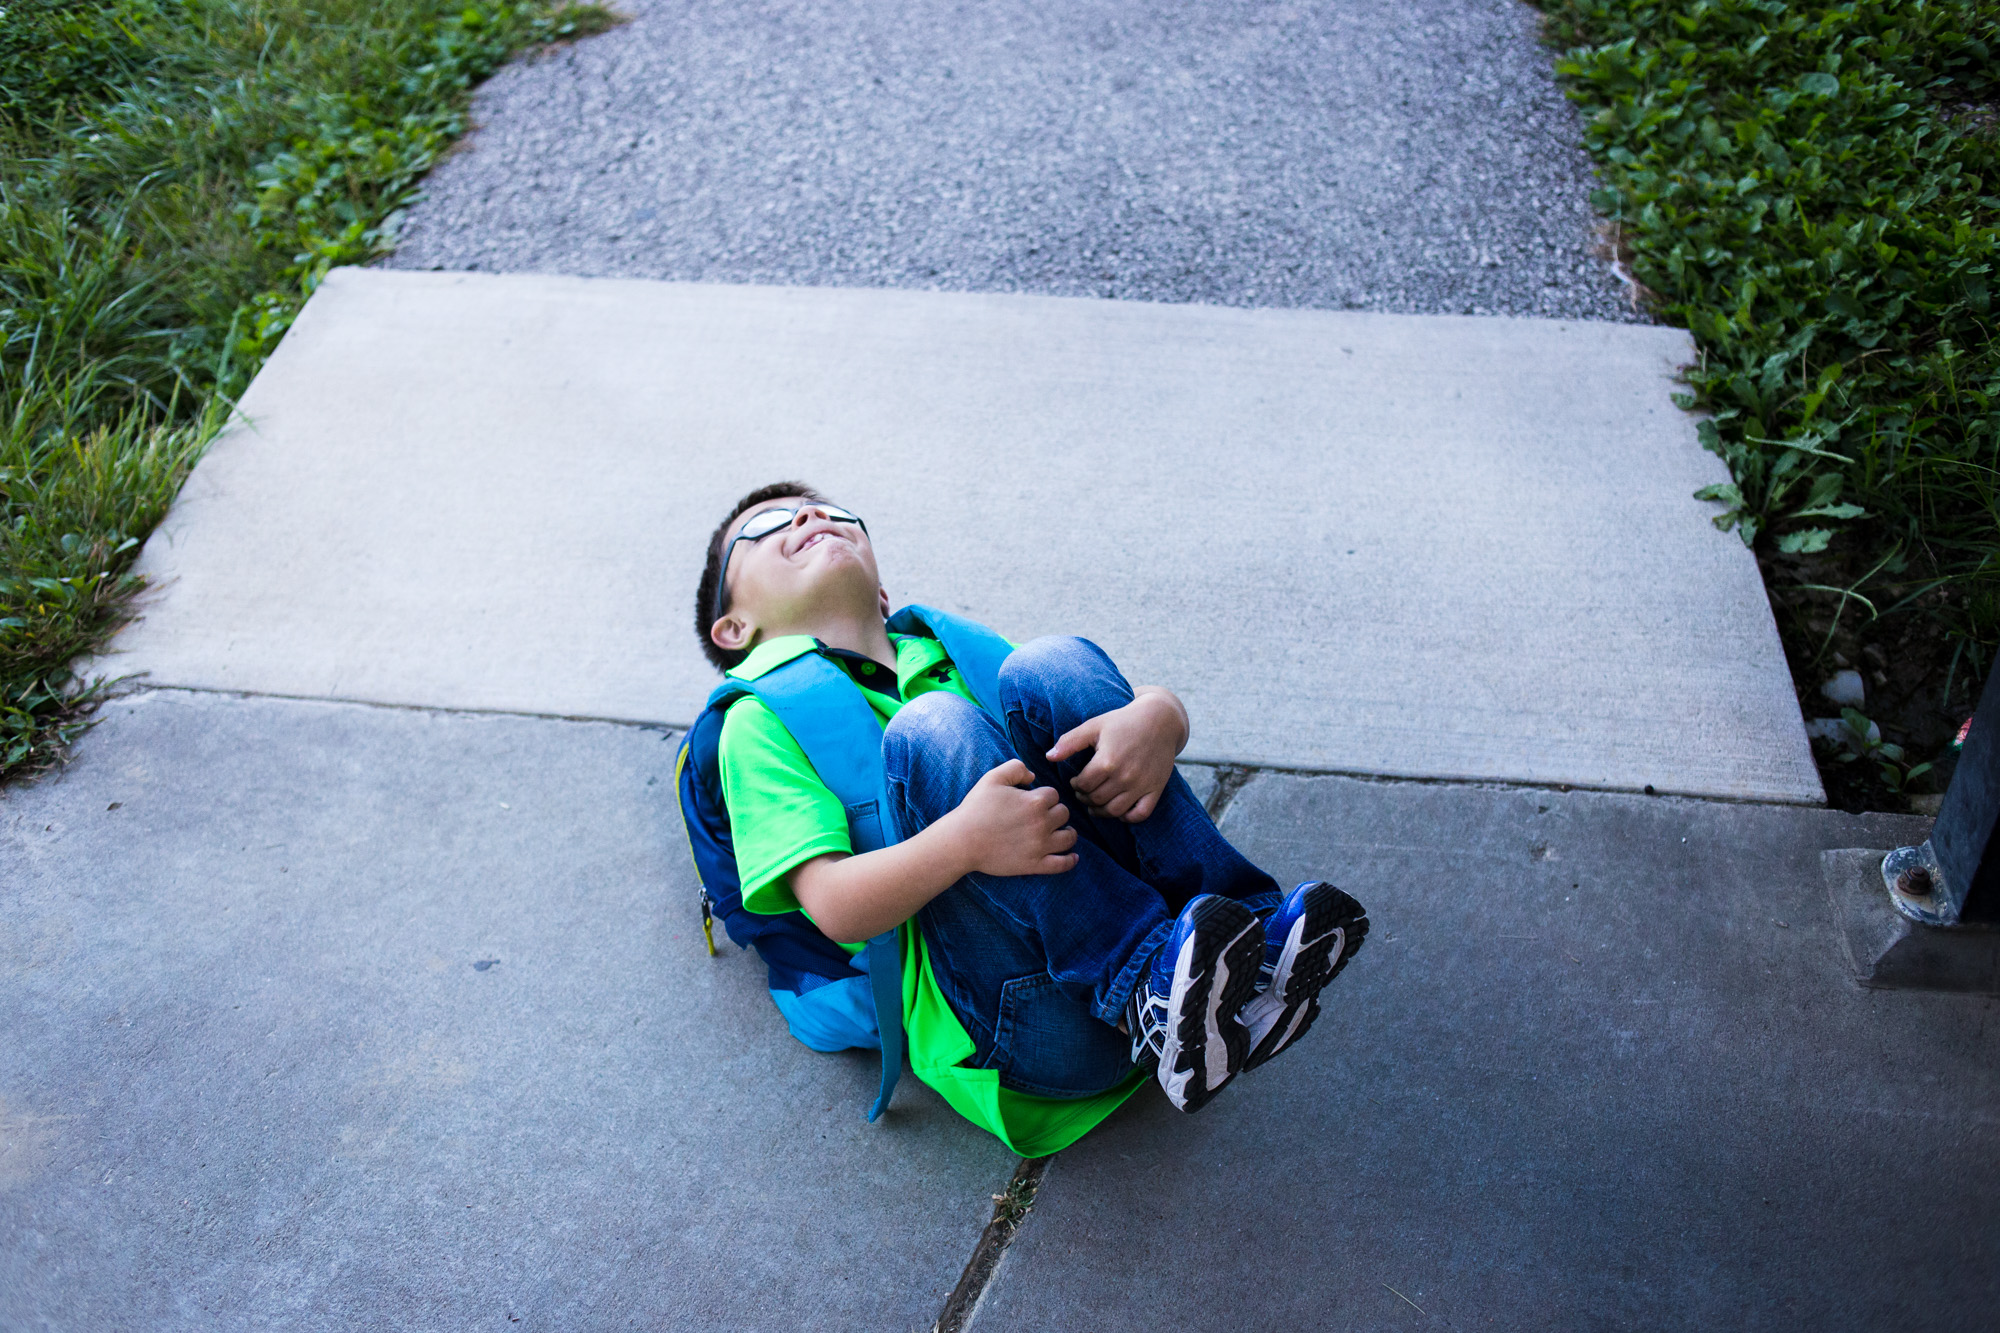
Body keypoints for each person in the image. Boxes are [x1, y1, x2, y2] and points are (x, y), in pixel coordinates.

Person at [694, 481, 1366, 1155]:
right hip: (1031, 1024)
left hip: (1183, 962)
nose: (813, 514)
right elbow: (835, 905)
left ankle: (1251, 946)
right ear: (734, 628)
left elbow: (1100, 730)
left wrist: (1163, 715)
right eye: (772, 523)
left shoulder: (950, 651)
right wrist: (962, 842)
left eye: (834, 510)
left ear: (882, 595)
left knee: (1052, 662)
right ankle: (1145, 991)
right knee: (930, 729)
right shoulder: (757, 724)